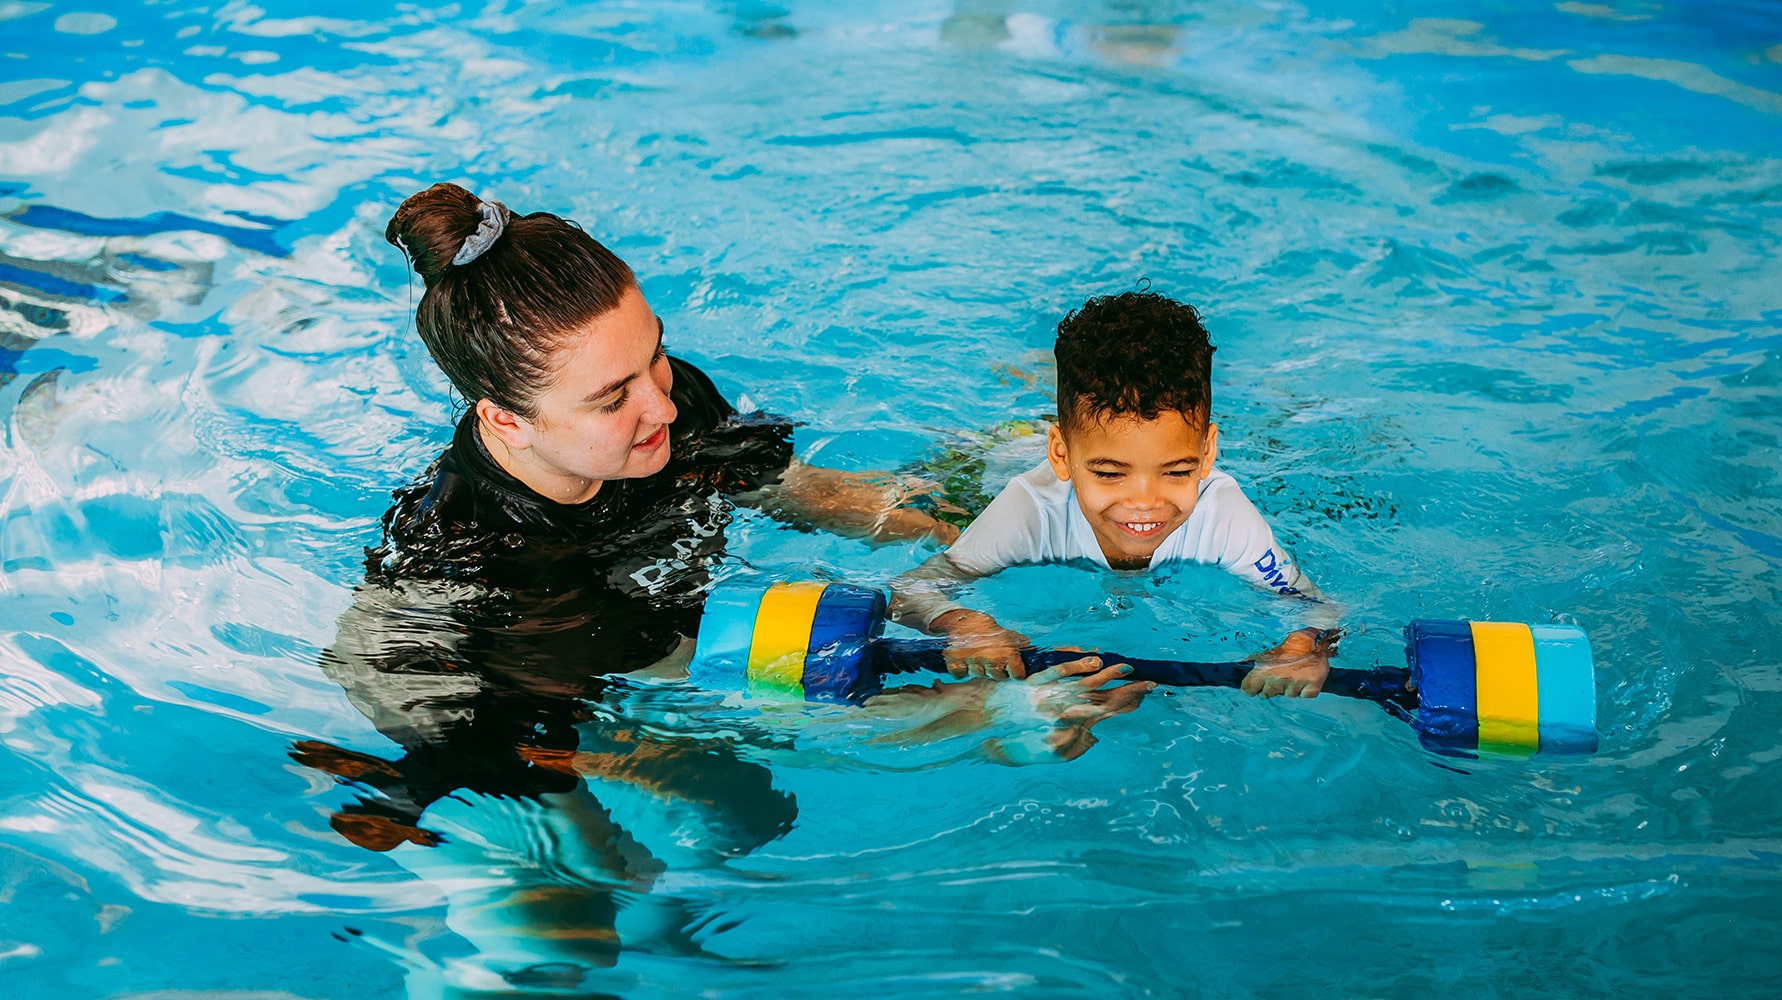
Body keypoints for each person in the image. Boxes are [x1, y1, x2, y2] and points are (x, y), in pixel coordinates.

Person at [300, 184, 1150, 993]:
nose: (661, 407)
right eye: (611, 399)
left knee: (744, 818)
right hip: (469, 702)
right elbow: (717, 702)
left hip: (613, 649)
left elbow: (799, 492)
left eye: (654, 355)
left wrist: (983, 529)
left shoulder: (665, 402)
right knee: (564, 933)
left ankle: (657, 919)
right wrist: (979, 721)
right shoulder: (498, 562)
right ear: (505, 421)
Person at [890, 290, 1342, 698]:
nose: (1144, 502)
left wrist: (1303, 647)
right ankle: (1029, 380)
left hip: (1080, 437)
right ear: (1061, 455)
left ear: (1207, 453)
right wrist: (965, 624)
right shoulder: (1030, 508)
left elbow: (1315, 608)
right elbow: (911, 589)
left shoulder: (1223, 512)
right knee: (895, 518)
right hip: (998, 457)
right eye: (1110, 474)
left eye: (1177, 471)